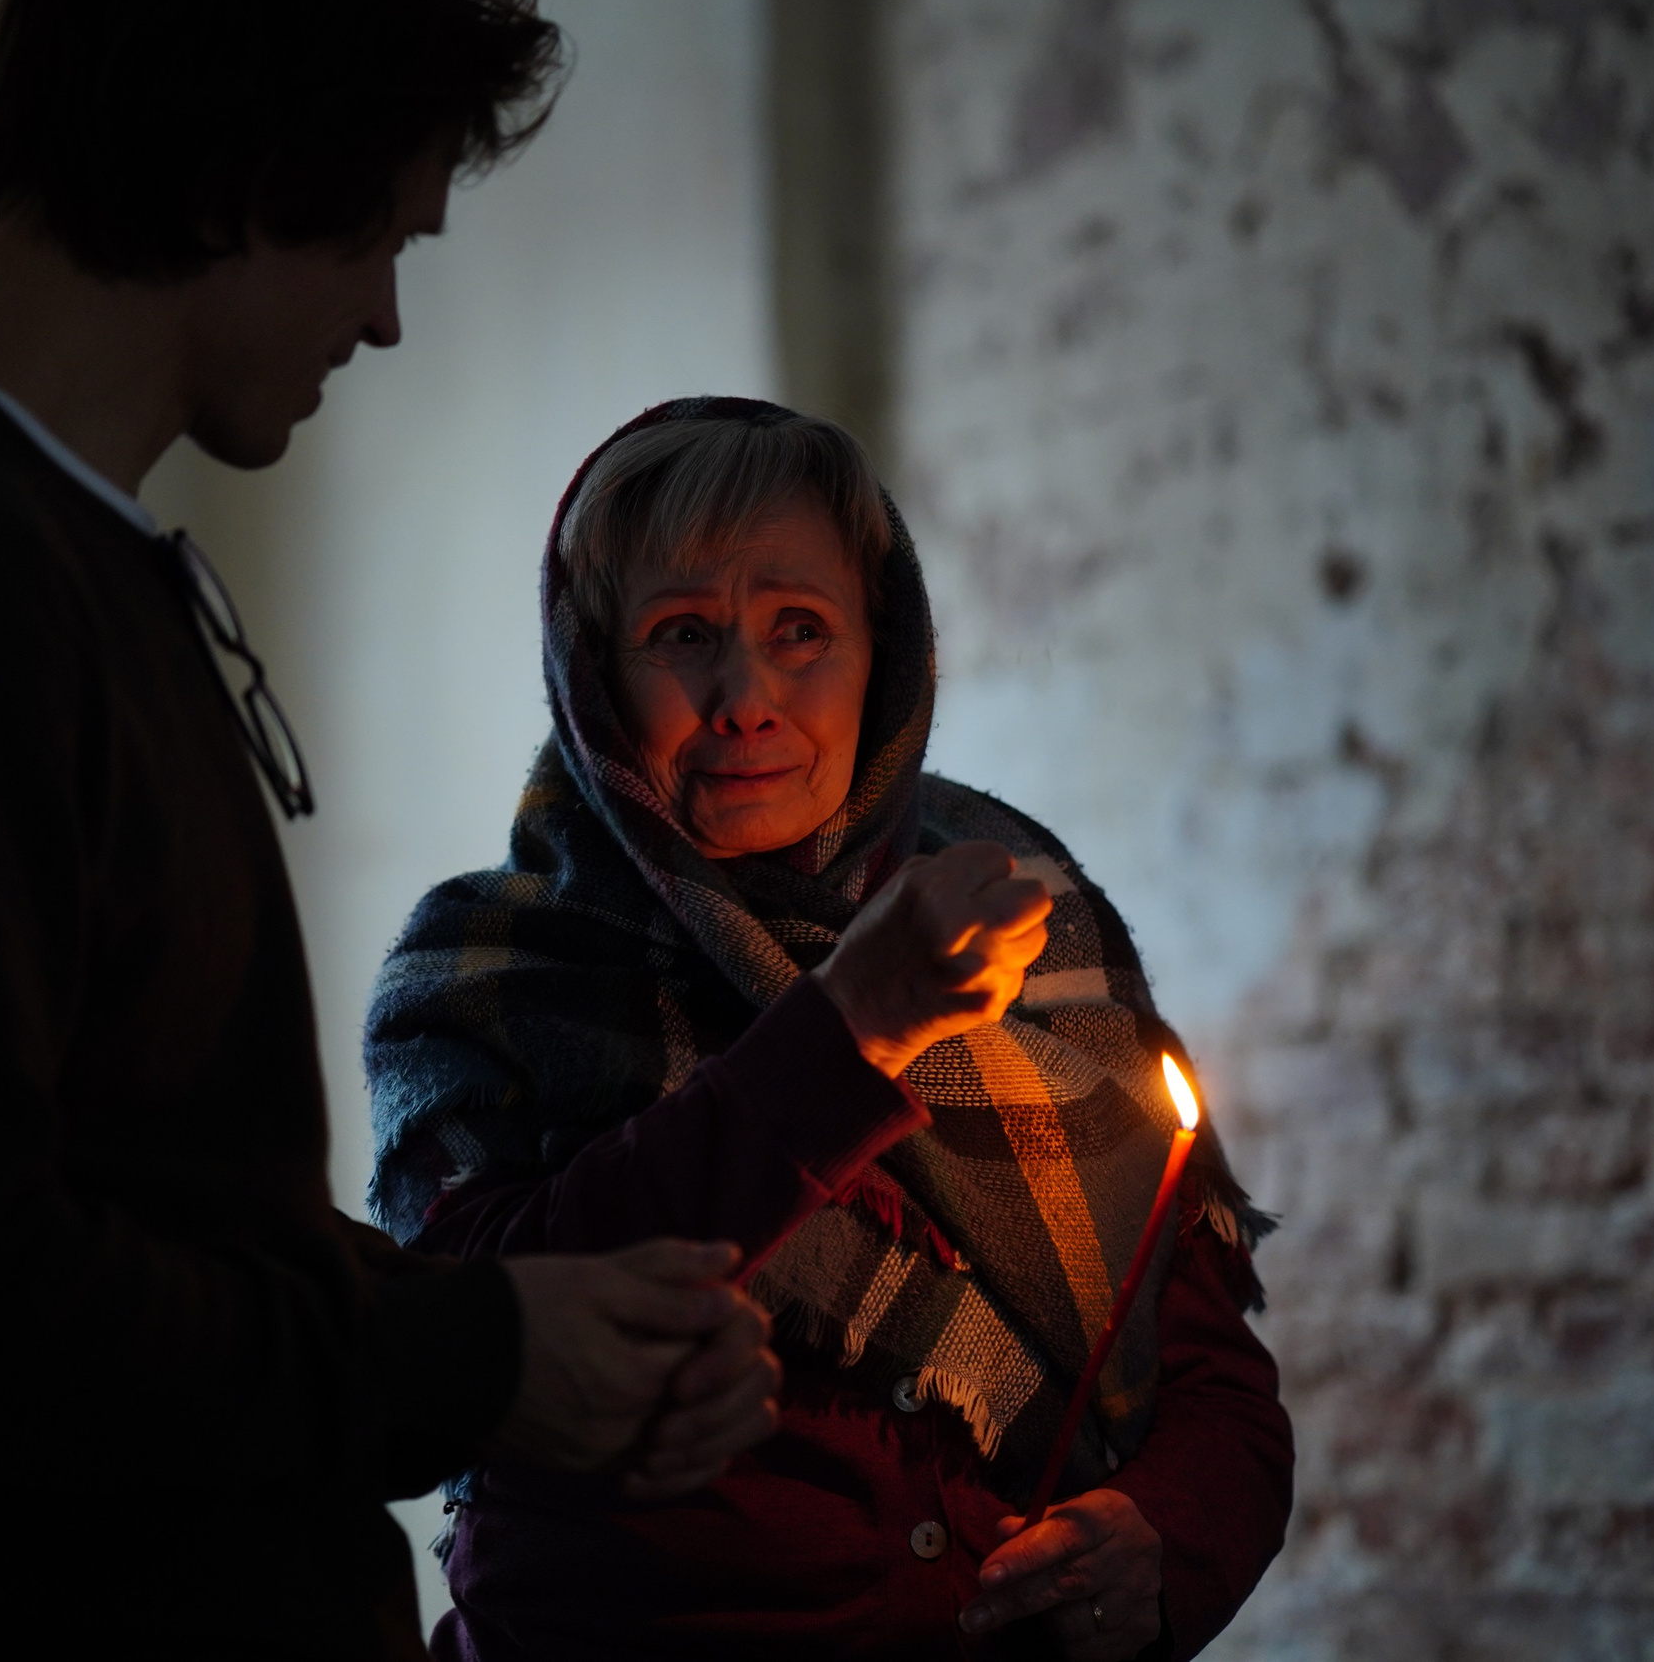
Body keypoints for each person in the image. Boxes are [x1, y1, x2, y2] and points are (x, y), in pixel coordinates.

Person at [0, 0, 782, 1658]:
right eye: (378, 240)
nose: (382, 317)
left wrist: (508, 1319)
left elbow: (148, 1212)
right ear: (246, 175)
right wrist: (473, 1358)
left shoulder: (26, 554)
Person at [368, 398, 1295, 1660]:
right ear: (592, 673)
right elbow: (483, 1343)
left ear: (884, 655)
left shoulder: (1027, 920)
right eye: (682, 635)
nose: (745, 698)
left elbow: (1210, 1376)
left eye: (799, 630)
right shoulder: (488, 968)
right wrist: (849, 1028)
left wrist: (1166, 1539)